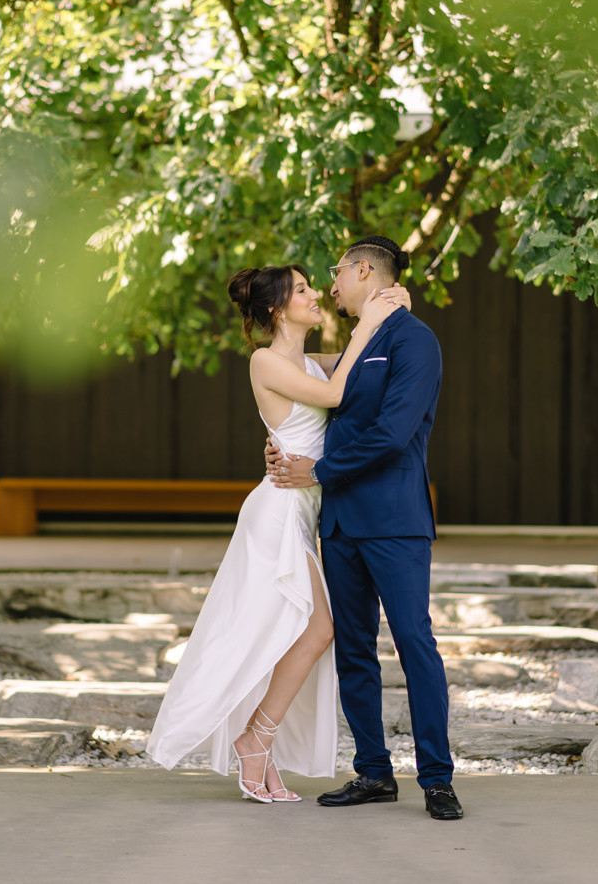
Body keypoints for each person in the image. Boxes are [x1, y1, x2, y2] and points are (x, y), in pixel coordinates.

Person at [146, 262, 407, 803]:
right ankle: (255, 739)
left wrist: (389, 304)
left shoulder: (312, 361)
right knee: (315, 630)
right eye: (303, 290)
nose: (316, 295)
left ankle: (257, 742)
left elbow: (360, 366)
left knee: (298, 631)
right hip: (278, 511)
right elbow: (335, 395)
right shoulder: (264, 360)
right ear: (276, 309)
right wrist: (366, 322)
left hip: (303, 510)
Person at [267, 235, 463, 821]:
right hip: (339, 521)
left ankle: (437, 779)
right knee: (353, 650)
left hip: (395, 520)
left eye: (335, 274)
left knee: (414, 644)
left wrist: (317, 470)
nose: (330, 287)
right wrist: (280, 444)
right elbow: (305, 392)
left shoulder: (415, 340)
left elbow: (394, 433)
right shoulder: (354, 343)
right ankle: (374, 772)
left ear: (361, 271)